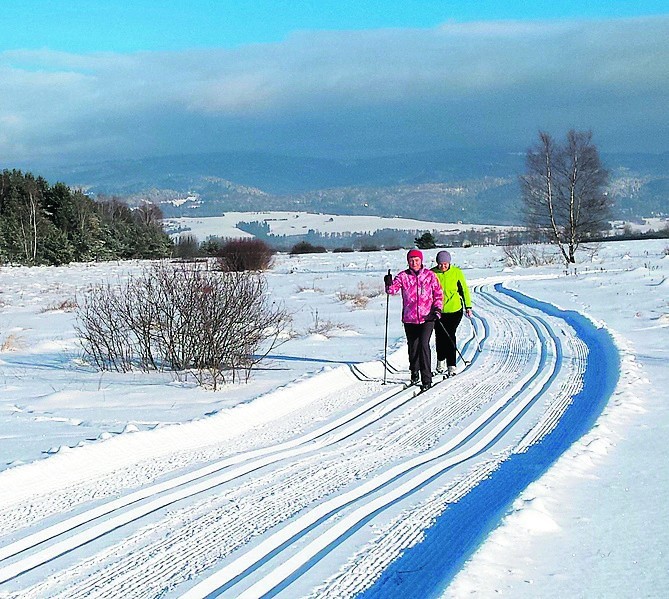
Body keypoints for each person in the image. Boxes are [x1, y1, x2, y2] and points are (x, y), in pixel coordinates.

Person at [384, 249, 443, 391]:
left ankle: (427, 378)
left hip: (427, 317)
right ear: (408, 262)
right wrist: (388, 283)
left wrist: (437, 309)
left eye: (416, 260)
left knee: (424, 345)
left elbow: (438, 294)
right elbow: (392, 291)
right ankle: (414, 371)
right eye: (411, 260)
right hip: (409, 318)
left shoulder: (430, 276)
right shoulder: (403, 276)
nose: (414, 263)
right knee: (413, 347)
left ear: (421, 261)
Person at [431, 250, 472, 376]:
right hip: (438, 311)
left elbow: (464, 290)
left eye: (445, 264)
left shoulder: (456, 272)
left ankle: (452, 365)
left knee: (450, 335)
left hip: (454, 310)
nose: (443, 267)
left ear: (449, 263)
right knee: (440, 336)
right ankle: (440, 360)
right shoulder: (432, 273)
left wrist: (468, 306)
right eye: (440, 264)